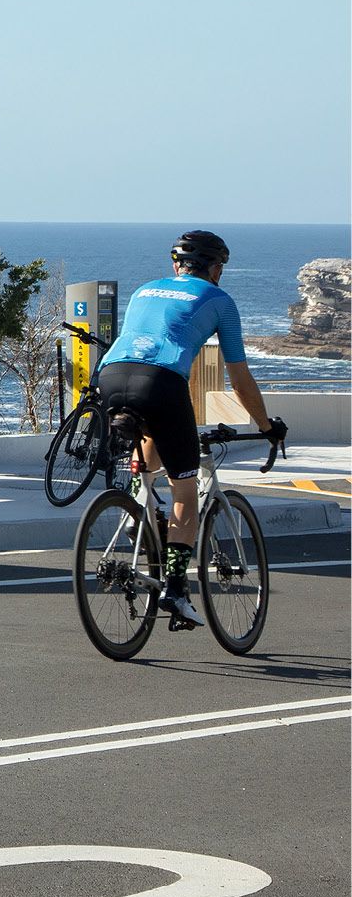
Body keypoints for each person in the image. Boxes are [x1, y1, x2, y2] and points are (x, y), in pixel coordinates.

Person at [94, 230, 283, 629]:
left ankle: (136, 505)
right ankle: (177, 589)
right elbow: (240, 377)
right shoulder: (218, 300)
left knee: (150, 437)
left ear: (174, 265)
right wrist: (266, 426)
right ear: (214, 268)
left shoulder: (146, 290)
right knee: (185, 489)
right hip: (161, 382)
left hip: (111, 376)